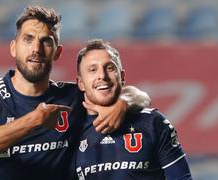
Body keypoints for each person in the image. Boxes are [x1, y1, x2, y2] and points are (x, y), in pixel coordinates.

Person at [0, 6, 150, 180]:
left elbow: (139, 95)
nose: (36, 49)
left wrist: (122, 104)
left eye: (46, 41)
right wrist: (35, 120)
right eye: (28, 39)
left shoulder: (72, 96)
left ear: (57, 53)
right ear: (13, 48)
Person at [74, 39, 192, 179]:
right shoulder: (69, 133)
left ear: (122, 77)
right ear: (80, 83)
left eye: (110, 68)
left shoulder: (152, 123)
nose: (102, 76)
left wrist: (125, 103)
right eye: (92, 70)